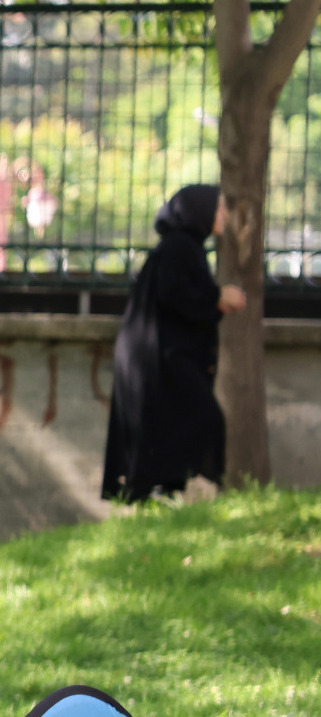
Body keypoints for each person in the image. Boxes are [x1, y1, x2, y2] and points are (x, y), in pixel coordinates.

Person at [103, 184, 243, 502]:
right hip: (157, 356)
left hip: (161, 354)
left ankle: (166, 491)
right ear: (201, 211)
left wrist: (214, 300)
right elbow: (174, 294)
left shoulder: (185, 247)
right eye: (219, 207)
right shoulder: (179, 247)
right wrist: (217, 296)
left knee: (173, 422)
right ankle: (195, 488)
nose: (224, 214)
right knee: (203, 416)